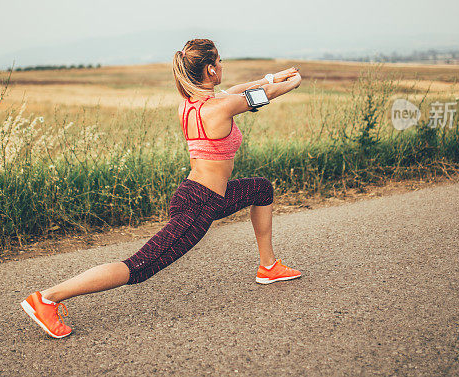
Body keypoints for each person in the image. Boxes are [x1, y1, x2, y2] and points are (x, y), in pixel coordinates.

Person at [20, 38, 304, 338]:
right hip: (201, 205)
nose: (223, 66)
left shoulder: (195, 104)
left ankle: (268, 266)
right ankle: (47, 298)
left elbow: (243, 89)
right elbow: (263, 95)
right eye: (219, 62)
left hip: (202, 195)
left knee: (261, 189)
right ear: (210, 70)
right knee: (139, 267)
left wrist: (274, 75)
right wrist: (293, 81)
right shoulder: (220, 108)